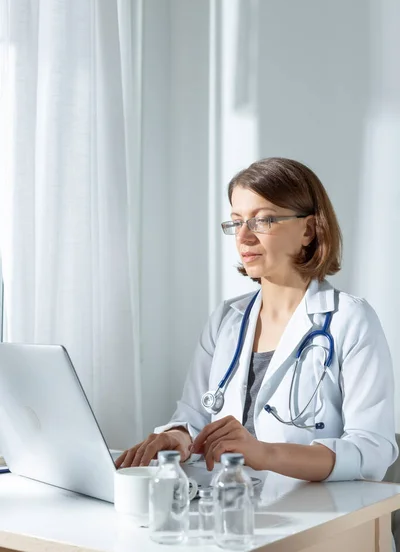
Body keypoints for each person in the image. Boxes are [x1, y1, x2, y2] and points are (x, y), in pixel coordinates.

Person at [116, 157, 398, 482]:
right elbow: (194, 417)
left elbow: (373, 451)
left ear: (308, 230)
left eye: (261, 221)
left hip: (322, 519)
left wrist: (264, 453)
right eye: (237, 222)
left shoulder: (349, 320)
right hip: (230, 508)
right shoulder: (227, 320)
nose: (243, 237)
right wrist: (177, 436)